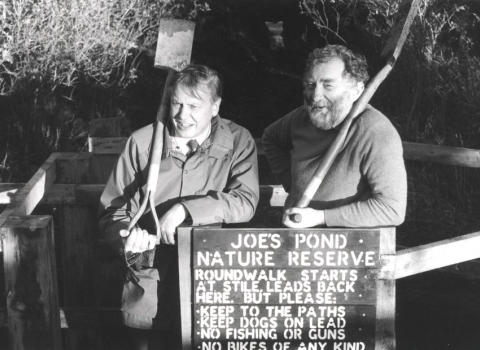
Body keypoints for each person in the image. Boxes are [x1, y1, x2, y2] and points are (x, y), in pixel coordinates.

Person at [99, 64, 259, 349]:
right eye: (177, 103)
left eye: (195, 106)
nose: (183, 116)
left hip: (211, 283)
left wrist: (187, 210)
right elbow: (113, 211)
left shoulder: (237, 141)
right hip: (149, 285)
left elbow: (245, 201)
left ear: (215, 106)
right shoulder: (142, 143)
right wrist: (127, 237)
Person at [262, 45, 407, 229]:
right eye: (310, 85)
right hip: (295, 239)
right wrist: (293, 184)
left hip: (347, 248)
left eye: (328, 85)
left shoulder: (376, 131)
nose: (315, 96)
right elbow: (270, 138)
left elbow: (392, 209)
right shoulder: (300, 119)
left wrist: (321, 217)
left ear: (356, 91)